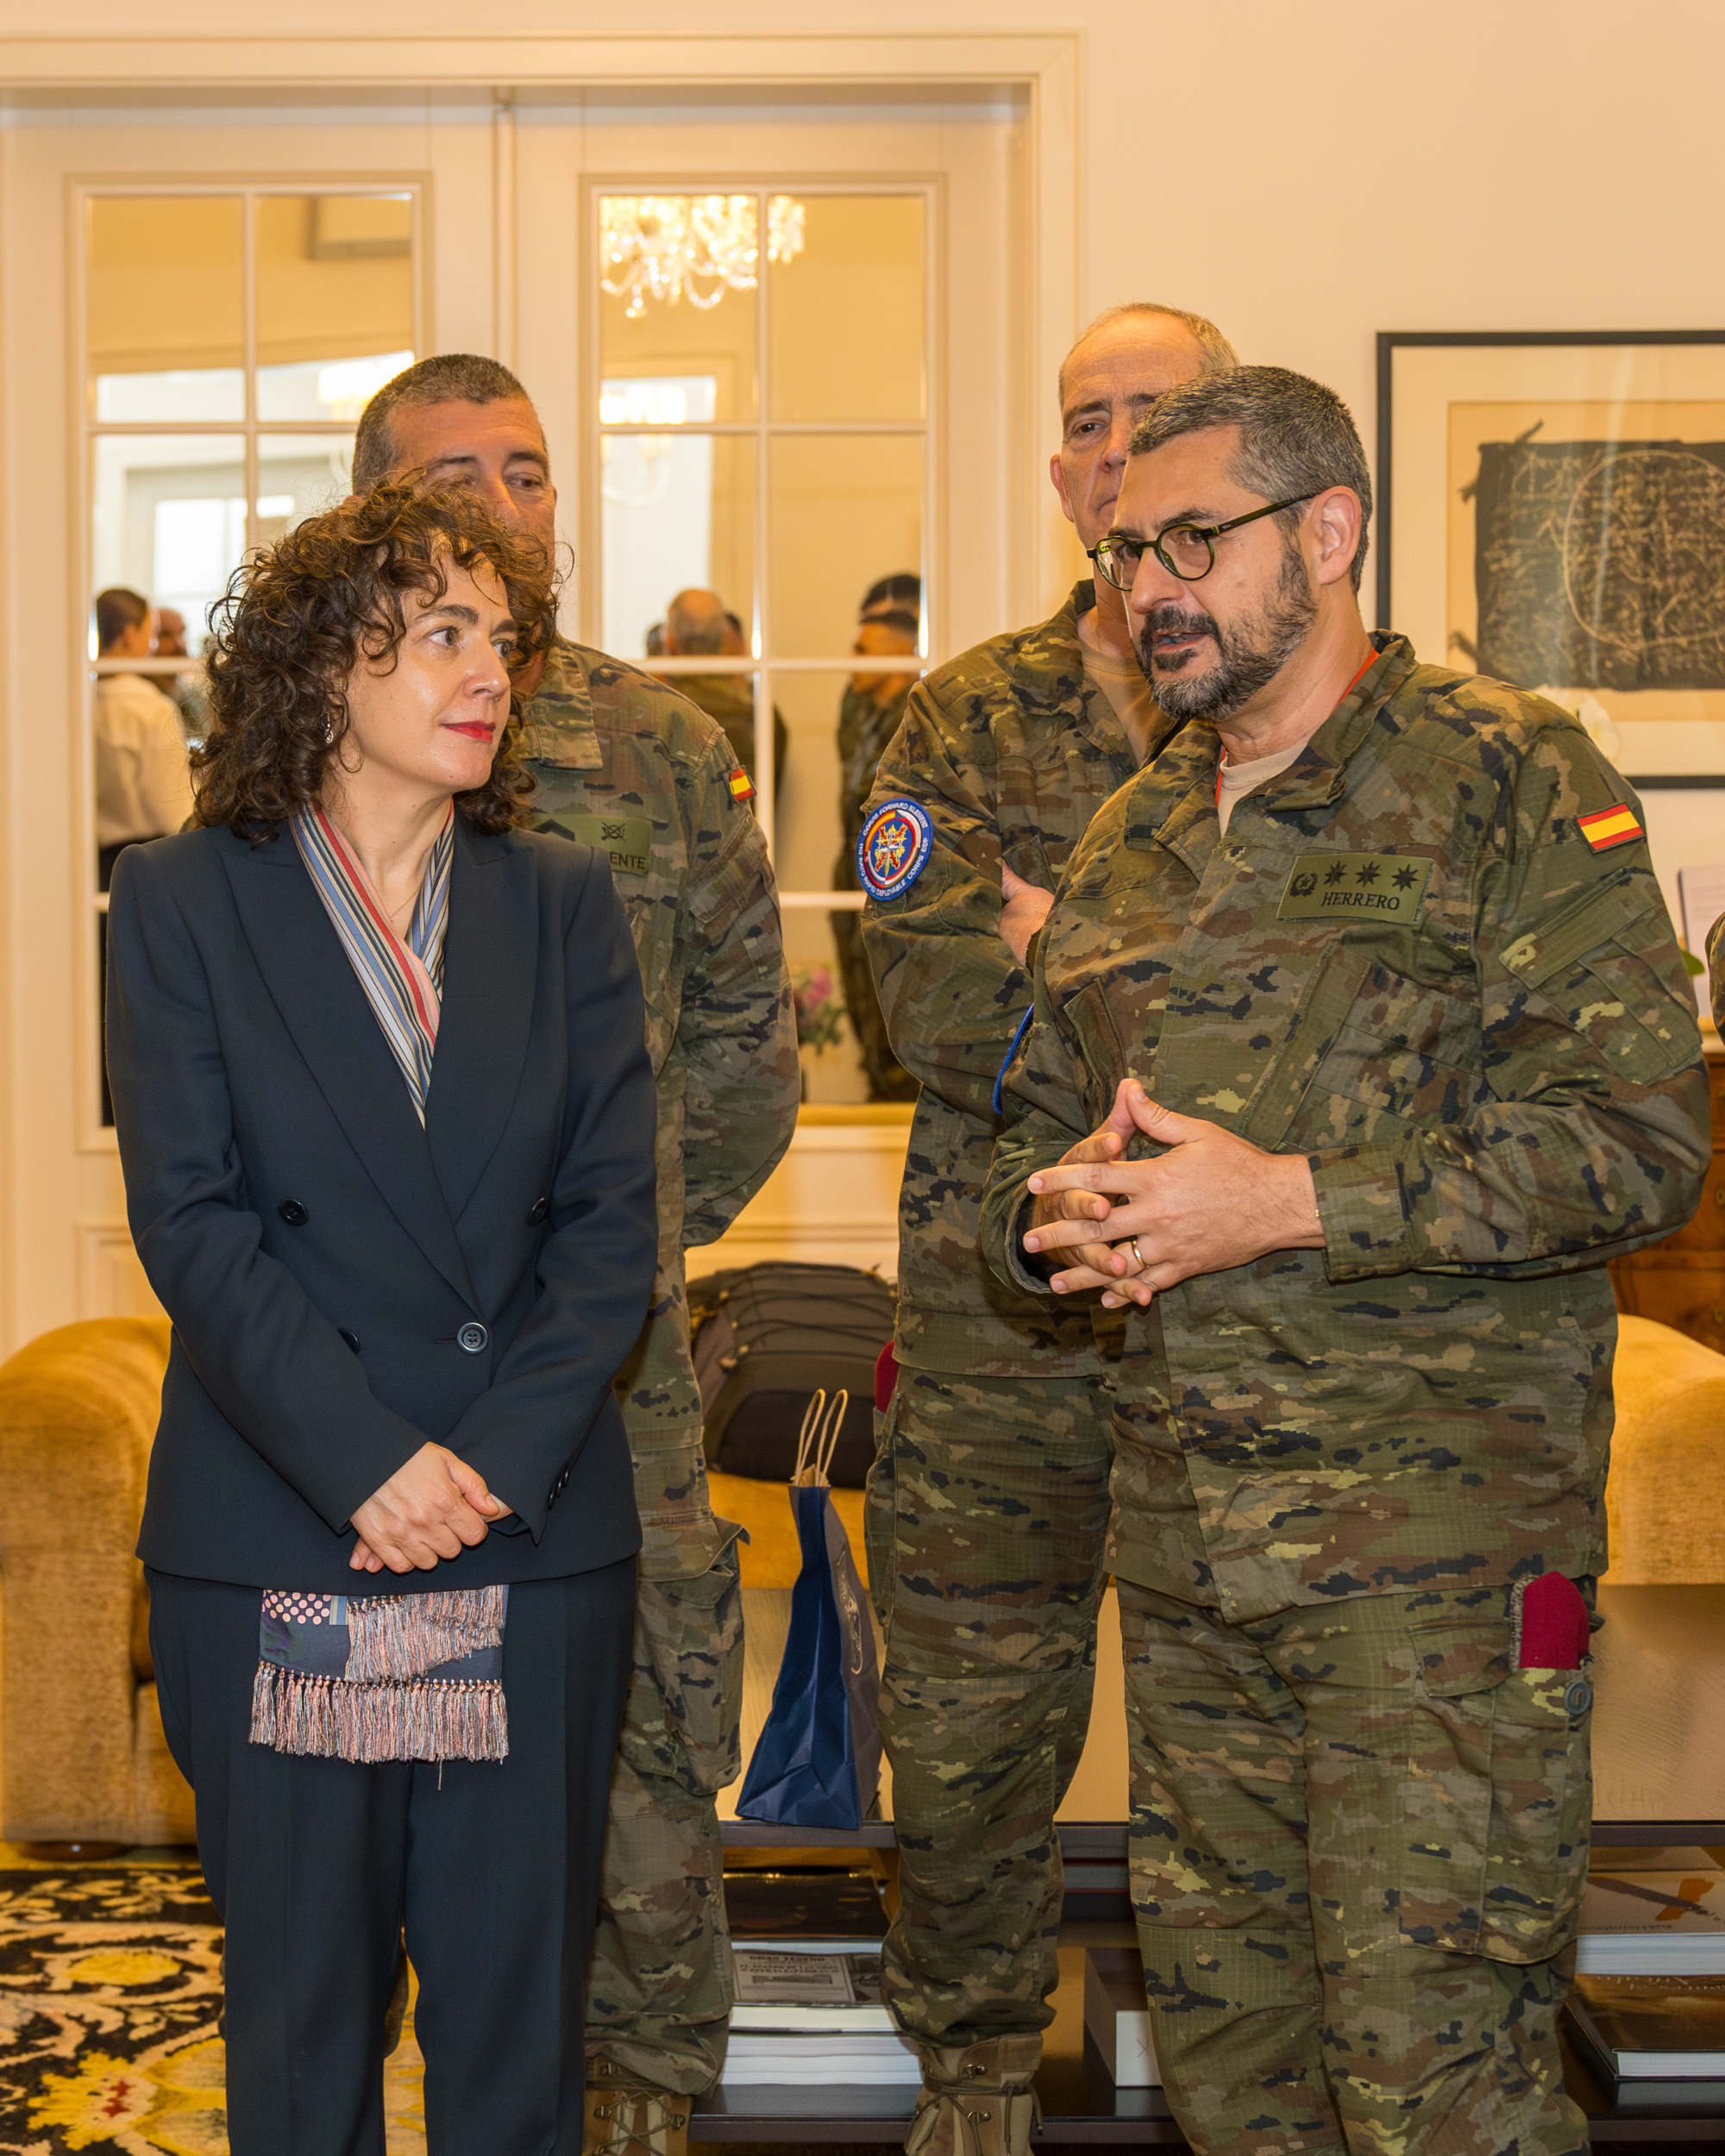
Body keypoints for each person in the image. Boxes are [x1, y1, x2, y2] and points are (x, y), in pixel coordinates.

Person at [980, 365, 1711, 2155]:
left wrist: (1290, 1200)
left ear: (1327, 532)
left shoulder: (1505, 775)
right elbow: (1054, 1144)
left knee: (1431, 2082)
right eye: (1127, 549)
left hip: (1430, 1576)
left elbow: (1640, 1142)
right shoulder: (1136, 834)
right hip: (1194, 1564)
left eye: (1193, 542)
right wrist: (1050, 1218)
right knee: (1237, 2078)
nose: (1148, 587)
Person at [107, 484, 660, 2153]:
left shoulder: (562, 898)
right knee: (302, 2031)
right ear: (326, 667)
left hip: (522, 1532)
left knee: (514, 2038)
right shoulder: (183, 899)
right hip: (287, 1531)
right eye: (440, 636)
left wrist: (475, 1467)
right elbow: (193, 1222)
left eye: (502, 638)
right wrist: (367, 1462)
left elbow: (610, 1231)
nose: (488, 671)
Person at [350, 353, 799, 2156]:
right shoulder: (319, 744)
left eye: (526, 472)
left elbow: (750, 1055)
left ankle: (647, 2097)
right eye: (452, 475)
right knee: (392, 1739)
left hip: (612, 1372)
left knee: (647, 1729)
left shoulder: (663, 748)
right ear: (372, 512)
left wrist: (617, 1244)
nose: (501, 505)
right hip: (379, 1383)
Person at [856, 302, 1237, 2155]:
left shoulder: (1315, 711)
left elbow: (1330, 1035)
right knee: (968, 1745)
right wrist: (1177, 988)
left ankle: (1237, 2085)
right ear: (1060, 471)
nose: (1114, 448)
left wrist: (1057, 934)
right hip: (999, 1325)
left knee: (1231, 1742)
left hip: (1241, 1323)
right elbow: (927, 1009)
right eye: (1087, 420)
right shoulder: (960, 715)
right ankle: (977, 2079)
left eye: (1153, 412)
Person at [831, 602, 922, 1102]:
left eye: (862, 649)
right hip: (853, 875)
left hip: (895, 877)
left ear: (899, 657)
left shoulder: (919, 722)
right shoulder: (861, 715)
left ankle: (895, 1091)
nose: (851, 660)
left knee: (890, 997)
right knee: (861, 994)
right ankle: (879, 1084)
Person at [94, 586, 193, 886]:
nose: (152, 647)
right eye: (151, 635)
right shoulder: (151, 708)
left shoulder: (76, 703)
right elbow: (175, 810)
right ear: (129, 635)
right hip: (145, 866)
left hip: (88, 865)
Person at [658, 586, 787, 791]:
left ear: (670, 640)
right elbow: (758, 790)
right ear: (725, 635)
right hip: (746, 808)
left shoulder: (660, 708)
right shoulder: (758, 710)